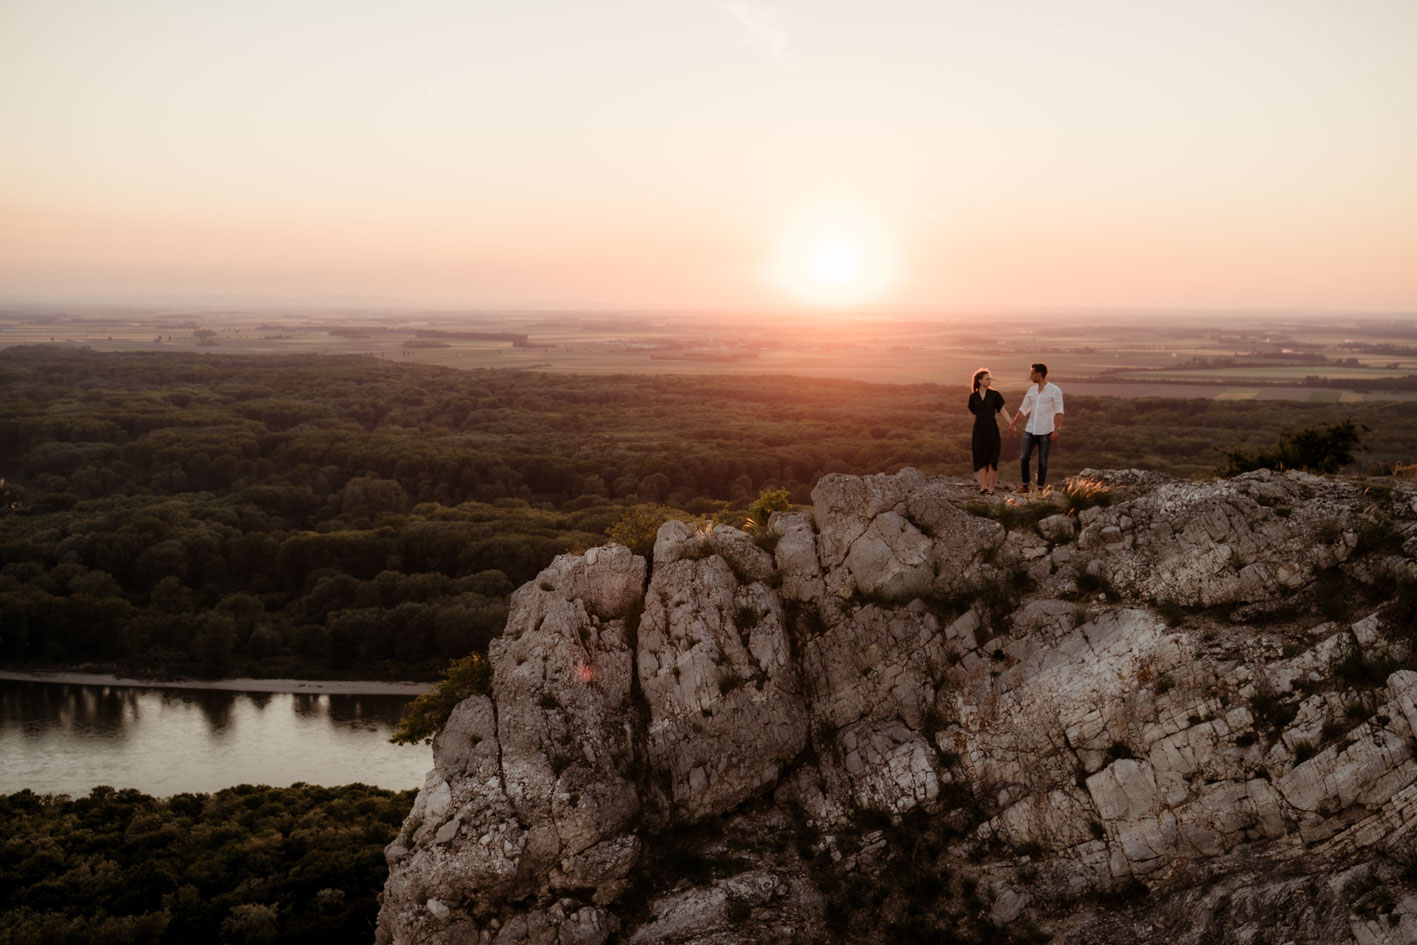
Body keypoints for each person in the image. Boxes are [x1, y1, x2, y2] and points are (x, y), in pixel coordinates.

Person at [1008, 362, 1064, 494]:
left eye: (1032, 373)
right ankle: (1025, 486)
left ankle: (1040, 488)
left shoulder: (1055, 390)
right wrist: (1013, 423)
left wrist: (1057, 430)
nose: (1030, 376)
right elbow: (1023, 409)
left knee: (1043, 460)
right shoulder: (1032, 390)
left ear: (1039, 375)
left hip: (1046, 430)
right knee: (1024, 458)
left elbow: (1059, 411)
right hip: (1030, 429)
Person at [967, 368, 1013, 495]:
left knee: (992, 458)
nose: (989, 381)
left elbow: (1002, 410)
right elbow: (973, 412)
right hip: (978, 430)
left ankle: (991, 488)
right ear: (980, 380)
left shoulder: (995, 395)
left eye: (990, 379)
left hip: (992, 429)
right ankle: (983, 486)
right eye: (987, 379)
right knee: (981, 457)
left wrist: (1011, 424)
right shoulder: (973, 397)